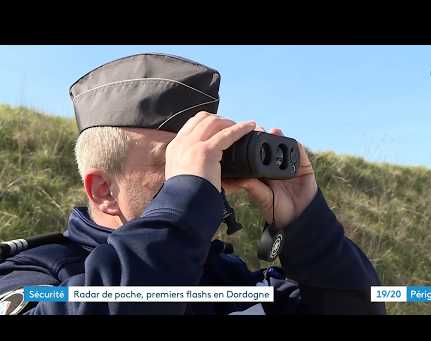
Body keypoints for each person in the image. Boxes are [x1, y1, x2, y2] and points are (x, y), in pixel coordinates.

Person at [0, 53, 385, 315]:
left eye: (205, 157)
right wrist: (184, 205)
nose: (204, 175)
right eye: (175, 160)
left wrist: (307, 225)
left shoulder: (224, 277)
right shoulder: (36, 272)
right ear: (103, 190)